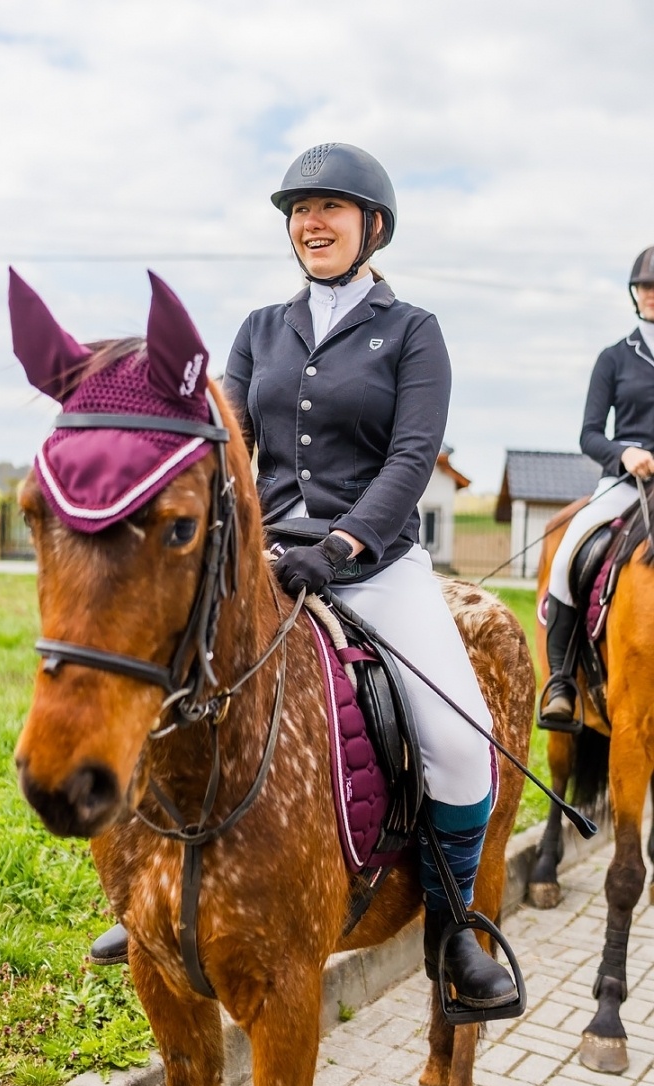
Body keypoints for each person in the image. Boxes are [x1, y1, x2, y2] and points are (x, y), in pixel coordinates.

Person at [92, 141, 515, 1010]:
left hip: (374, 569)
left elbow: (409, 459)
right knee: (152, 677)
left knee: (460, 744)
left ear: (375, 227)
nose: (310, 221)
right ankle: (145, 893)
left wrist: (345, 545)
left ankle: (452, 932)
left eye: (330, 208)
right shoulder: (258, 329)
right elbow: (232, 444)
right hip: (266, 563)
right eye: (299, 209)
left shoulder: (413, 333)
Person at [538, 246, 654, 730]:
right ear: (635, 292)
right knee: (567, 556)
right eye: (645, 286)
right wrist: (625, 453)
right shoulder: (614, 358)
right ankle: (562, 679)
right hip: (626, 483)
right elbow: (589, 433)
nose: (652, 294)